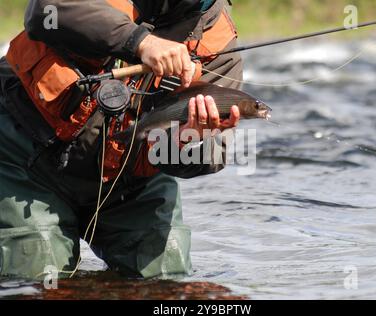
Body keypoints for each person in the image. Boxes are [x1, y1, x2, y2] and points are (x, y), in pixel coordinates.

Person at [0, 0, 243, 279]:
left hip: (130, 184)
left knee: (165, 278)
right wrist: (139, 42)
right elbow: (44, 11)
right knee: (39, 279)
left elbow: (214, 153)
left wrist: (184, 141)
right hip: (27, 160)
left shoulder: (220, 41)